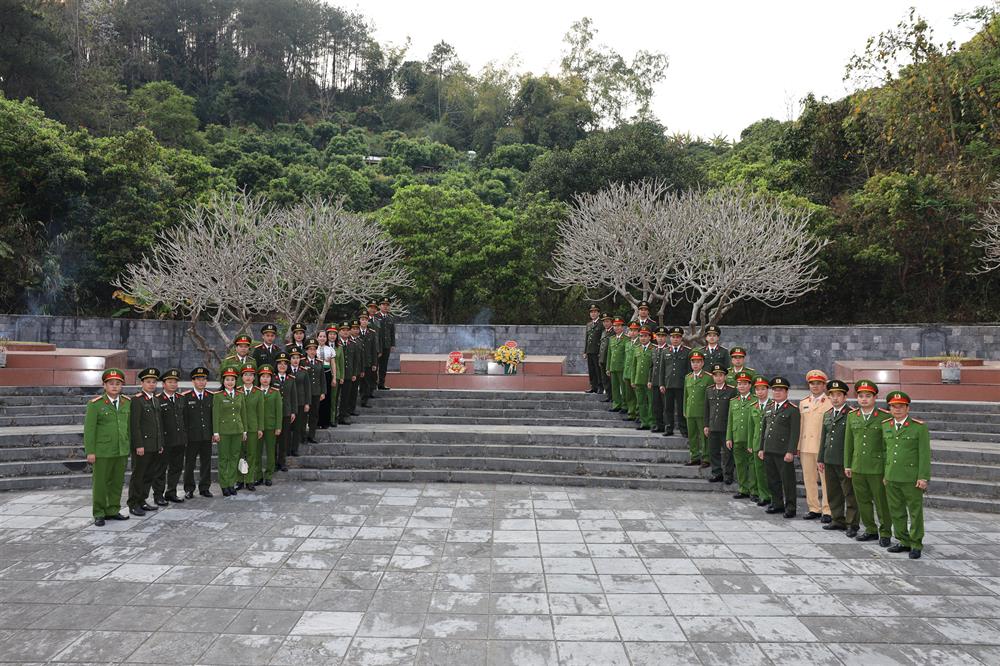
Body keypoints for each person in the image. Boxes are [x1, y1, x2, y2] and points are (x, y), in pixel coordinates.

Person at [882, 390, 931, 559]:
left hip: (911, 478)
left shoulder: (919, 427)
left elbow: (924, 454)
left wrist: (923, 477)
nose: (897, 410)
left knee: (915, 512)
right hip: (891, 476)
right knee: (896, 510)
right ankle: (903, 540)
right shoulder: (886, 425)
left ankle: (916, 543)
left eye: (901, 406)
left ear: (907, 408)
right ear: (889, 408)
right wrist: (885, 474)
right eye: (893, 406)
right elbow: (885, 451)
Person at [844, 380, 893, 547]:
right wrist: (848, 464)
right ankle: (871, 529)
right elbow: (848, 443)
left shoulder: (885, 417)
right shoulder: (852, 416)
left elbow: (889, 445)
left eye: (868, 396)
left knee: (881, 502)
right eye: (860, 396)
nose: (864, 399)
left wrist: (888, 468)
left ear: (875, 397)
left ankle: (885, 532)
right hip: (858, 466)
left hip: (877, 467)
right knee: (862, 501)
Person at [84, 368, 131, 526]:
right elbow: (90, 430)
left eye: (118, 384)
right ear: (104, 385)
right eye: (111, 384)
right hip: (102, 451)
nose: (115, 386)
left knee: (117, 482)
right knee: (100, 483)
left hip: (121, 450)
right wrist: (90, 451)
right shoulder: (95, 405)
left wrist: (129, 445)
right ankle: (99, 512)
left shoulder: (126, 403)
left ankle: (113, 509)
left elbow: (128, 427)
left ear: (121, 386)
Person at [818, 379, 858, 535]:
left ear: (845, 397)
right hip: (829, 459)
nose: (835, 398)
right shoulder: (828, 414)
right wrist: (821, 458)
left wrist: (850, 462)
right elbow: (824, 438)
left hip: (843, 460)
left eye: (838, 395)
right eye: (832, 395)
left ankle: (852, 524)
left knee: (849, 493)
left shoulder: (851, 414)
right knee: (833, 492)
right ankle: (837, 520)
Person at [759, 376, 800, 518]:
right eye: (775, 390)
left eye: (780, 390)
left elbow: (795, 433)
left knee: (787, 481)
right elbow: (764, 429)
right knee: (772, 479)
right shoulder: (769, 407)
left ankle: (791, 507)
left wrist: (790, 451)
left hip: (783, 452)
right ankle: (777, 504)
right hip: (769, 449)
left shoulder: (792, 410)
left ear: (786, 392)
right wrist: (761, 448)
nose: (777, 393)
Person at [127, 367, 164, 516]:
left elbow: (158, 424)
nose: (151, 385)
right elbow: (134, 425)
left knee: (149, 475)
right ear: (142, 383)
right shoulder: (137, 400)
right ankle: (133, 503)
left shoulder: (156, 400)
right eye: (148, 382)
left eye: (154, 382)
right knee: (138, 475)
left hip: (154, 445)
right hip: (143, 446)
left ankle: (142, 500)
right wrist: (138, 445)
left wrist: (160, 443)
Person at [798, 369, 833, 522]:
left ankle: (827, 510)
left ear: (824, 385)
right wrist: (798, 446)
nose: (815, 386)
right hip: (806, 446)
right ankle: (814, 508)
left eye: (818, 384)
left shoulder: (831, 403)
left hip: (821, 447)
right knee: (809, 479)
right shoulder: (804, 402)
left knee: (826, 481)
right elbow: (801, 426)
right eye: (812, 384)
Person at [213, 367, 247, 497]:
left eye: (232, 379)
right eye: (227, 379)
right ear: (223, 381)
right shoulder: (218, 396)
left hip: (237, 431)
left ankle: (231, 483)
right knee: (224, 459)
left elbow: (243, 414)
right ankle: (224, 484)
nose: (230, 382)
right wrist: (216, 432)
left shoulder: (240, 395)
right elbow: (215, 415)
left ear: (236, 381)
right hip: (224, 431)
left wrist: (244, 431)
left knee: (234, 457)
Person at [181, 367, 214, 499]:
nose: (201, 382)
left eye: (203, 379)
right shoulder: (186, 397)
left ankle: (204, 488)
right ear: (193, 381)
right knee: (190, 463)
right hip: (191, 437)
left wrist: (213, 433)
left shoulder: (211, 397)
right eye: (198, 380)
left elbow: (212, 417)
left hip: (206, 435)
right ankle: (189, 488)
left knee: (206, 462)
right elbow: (183, 418)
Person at [156, 368, 187, 504]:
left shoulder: (181, 399)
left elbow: (185, 419)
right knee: (161, 470)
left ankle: (171, 492)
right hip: (165, 441)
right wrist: (160, 442)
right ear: (164, 384)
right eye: (170, 382)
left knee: (176, 468)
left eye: (175, 382)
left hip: (179, 440)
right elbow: (157, 424)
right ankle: (158, 495)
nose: (173, 384)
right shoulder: (158, 400)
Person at [725, 371, 757, 498]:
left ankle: (754, 490)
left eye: (744, 384)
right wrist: (728, 437)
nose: (741, 386)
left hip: (750, 438)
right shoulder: (733, 401)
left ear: (750, 385)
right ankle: (743, 488)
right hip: (737, 437)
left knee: (752, 465)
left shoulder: (755, 400)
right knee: (740, 465)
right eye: (739, 384)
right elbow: (730, 421)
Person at [704, 363, 737, 483]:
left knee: (728, 453)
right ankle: (716, 473)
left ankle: (728, 475)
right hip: (713, 426)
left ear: (725, 376)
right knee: (713, 451)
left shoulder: (731, 391)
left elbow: (733, 411)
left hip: (725, 427)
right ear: (713, 377)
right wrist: (706, 425)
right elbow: (706, 409)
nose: (718, 377)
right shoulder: (709, 390)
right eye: (716, 375)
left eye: (721, 375)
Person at [659, 327, 690, 437]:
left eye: (677, 337)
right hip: (668, 385)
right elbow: (662, 370)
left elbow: (689, 371)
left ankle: (683, 429)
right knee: (668, 408)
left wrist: (688, 385)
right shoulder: (665, 351)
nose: (675, 339)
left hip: (682, 385)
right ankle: (669, 428)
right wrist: (661, 384)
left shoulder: (687, 352)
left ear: (681, 338)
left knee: (682, 409)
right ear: (669, 338)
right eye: (673, 337)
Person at [682, 350, 712, 466]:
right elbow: (686, 395)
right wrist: (685, 409)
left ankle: (705, 458)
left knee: (704, 436)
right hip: (690, 411)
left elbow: (709, 397)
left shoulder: (708, 378)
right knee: (692, 435)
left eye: (698, 362)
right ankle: (694, 456)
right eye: (693, 362)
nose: (695, 364)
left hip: (702, 412)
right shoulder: (688, 377)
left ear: (702, 363)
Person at [238, 364, 263, 491]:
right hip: (239, 427)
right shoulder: (237, 391)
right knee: (240, 454)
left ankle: (249, 480)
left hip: (253, 428)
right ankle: (238, 480)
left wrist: (260, 428)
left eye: (251, 375)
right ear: (242, 377)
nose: (248, 377)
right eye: (245, 375)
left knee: (252, 454)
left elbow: (261, 412)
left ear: (254, 377)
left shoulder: (258, 392)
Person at [256, 364, 282, 486]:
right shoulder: (255, 392)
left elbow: (279, 411)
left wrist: (278, 426)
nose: (265, 379)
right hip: (257, 428)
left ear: (271, 378)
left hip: (271, 427)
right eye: (263, 376)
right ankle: (258, 475)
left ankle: (268, 475)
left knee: (271, 452)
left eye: (268, 377)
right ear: (259, 378)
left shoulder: (275, 393)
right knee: (257, 452)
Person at [749, 376, 772, 507]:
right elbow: (750, 427)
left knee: (770, 471)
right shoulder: (753, 406)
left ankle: (772, 495)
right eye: (757, 389)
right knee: (759, 471)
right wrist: (749, 444)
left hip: (770, 444)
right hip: (757, 443)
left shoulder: (772, 405)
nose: (760, 392)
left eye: (763, 389)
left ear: (767, 390)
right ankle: (763, 495)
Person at [273, 352, 298, 471]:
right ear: (276, 365)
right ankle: (273, 463)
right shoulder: (271, 378)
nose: (282, 366)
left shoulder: (291, 379)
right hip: (273, 414)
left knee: (284, 439)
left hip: (287, 413)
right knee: (273, 439)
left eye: (285, 364)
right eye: (280, 364)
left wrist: (293, 411)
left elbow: (294, 396)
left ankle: (282, 462)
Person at [288, 348, 311, 457]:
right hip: (289, 403)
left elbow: (307, 388)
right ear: (290, 359)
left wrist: (307, 403)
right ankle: (286, 449)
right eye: (293, 358)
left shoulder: (303, 371)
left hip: (301, 402)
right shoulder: (286, 371)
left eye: (297, 358)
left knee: (298, 427)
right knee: (287, 428)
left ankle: (294, 449)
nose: (295, 360)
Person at [303, 338, 325, 442]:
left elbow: (322, 378)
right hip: (305, 393)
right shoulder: (302, 362)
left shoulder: (319, 362)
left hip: (316, 392)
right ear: (306, 350)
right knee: (303, 415)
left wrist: (323, 392)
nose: (312, 351)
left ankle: (311, 435)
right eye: (310, 349)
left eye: (314, 349)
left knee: (314, 414)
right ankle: (302, 436)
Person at [633, 326, 654, 430]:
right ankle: (644, 422)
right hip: (638, 379)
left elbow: (654, 367)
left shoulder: (653, 349)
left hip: (649, 380)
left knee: (650, 402)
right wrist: (633, 380)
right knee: (641, 402)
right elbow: (634, 365)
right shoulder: (637, 348)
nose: (643, 338)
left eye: (645, 336)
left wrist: (651, 380)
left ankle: (651, 422)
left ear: (650, 337)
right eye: (641, 336)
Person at [649, 326, 669, 432]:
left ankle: (667, 425)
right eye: (658, 336)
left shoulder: (668, 349)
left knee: (665, 405)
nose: (660, 338)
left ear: (666, 338)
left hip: (665, 382)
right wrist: (649, 380)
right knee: (656, 405)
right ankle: (658, 424)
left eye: (662, 336)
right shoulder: (654, 349)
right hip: (655, 381)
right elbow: (651, 366)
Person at [358, 313, 379, 407]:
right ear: (359, 321)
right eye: (362, 319)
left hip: (368, 361)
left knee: (366, 381)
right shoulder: (355, 332)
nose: (364, 321)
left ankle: (364, 400)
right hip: (357, 361)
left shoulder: (372, 333)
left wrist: (374, 363)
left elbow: (374, 349)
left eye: (366, 320)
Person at [607, 317, 627, 413]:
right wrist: (608, 368)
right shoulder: (612, 339)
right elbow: (609, 354)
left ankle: (624, 405)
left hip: (622, 367)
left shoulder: (626, 339)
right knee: (614, 387)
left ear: (622, 327)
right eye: (614, 326)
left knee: (623, 388)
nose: (616, 328)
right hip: (613, 367)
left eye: (618, 326)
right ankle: (616, 404)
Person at [336, 322, 355, 425]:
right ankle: (334, 416)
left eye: (347, 330)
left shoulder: (353, 343)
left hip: (348, 374)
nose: (345, 332)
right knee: (335, 397)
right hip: (338, 374)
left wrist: (354, 373)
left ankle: (343, 415)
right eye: (343, 330)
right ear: (339, 332)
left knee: (345, 396)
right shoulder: (336, 344)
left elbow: (356, 360)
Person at [376, 298, 397, 390]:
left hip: (386, 345)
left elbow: (392, 332)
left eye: (387, 305)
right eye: (383, 304)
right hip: (377, 345)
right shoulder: (375, 317)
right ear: (380, 306)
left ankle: (381, 383)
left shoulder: (390, 318)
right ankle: (372, 384)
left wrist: (392, 344)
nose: (385, 306)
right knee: (374, 365)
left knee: (384, 366)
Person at [316, 328, 335, 429]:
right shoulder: (314, 349)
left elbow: (333, 365)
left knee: (327, 398)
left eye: (324, 336)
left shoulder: (330, 349)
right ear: (317, 337)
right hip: (317, 375)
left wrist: (334, 378)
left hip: (327, 374)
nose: (322, 338)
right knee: (317, 398)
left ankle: (325, 422)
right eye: (320, 336)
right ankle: (317, 421)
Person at [621, 322, 640, 421]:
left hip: (635, 374)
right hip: (627, 372)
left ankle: (638, 415)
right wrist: (624, 372)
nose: (632, 333)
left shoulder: (640, 344)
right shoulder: (627, 343)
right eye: (631, 330)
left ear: (638, 332)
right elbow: (626, 359)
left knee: (638, 396)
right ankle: (631, 413)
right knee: (629, 395)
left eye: (635, 330)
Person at [584, 304, 603, 393]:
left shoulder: (602, 324)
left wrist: (601, 351)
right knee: (591, 370)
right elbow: (587, 339)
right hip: (590, 351)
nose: (593, 314)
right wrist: (585, 351)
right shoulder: (589, 324)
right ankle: (593, 386)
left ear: (598, 313)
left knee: (598, 370)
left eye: (595, 312)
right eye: (591, 312)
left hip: (597, 351)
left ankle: (600, 386)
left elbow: (602, 338)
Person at [597, 313, 614, 401]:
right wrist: (600, 359)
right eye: (604, 322)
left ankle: (613, 397)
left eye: (607, 321)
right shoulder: (603, 332)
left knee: (611, 380)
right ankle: (608, 396)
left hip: (609, 360)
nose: (605, 323)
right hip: (602, 359)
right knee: (605, 380)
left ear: (611, 322)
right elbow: (601, 346)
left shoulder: (613, 332)